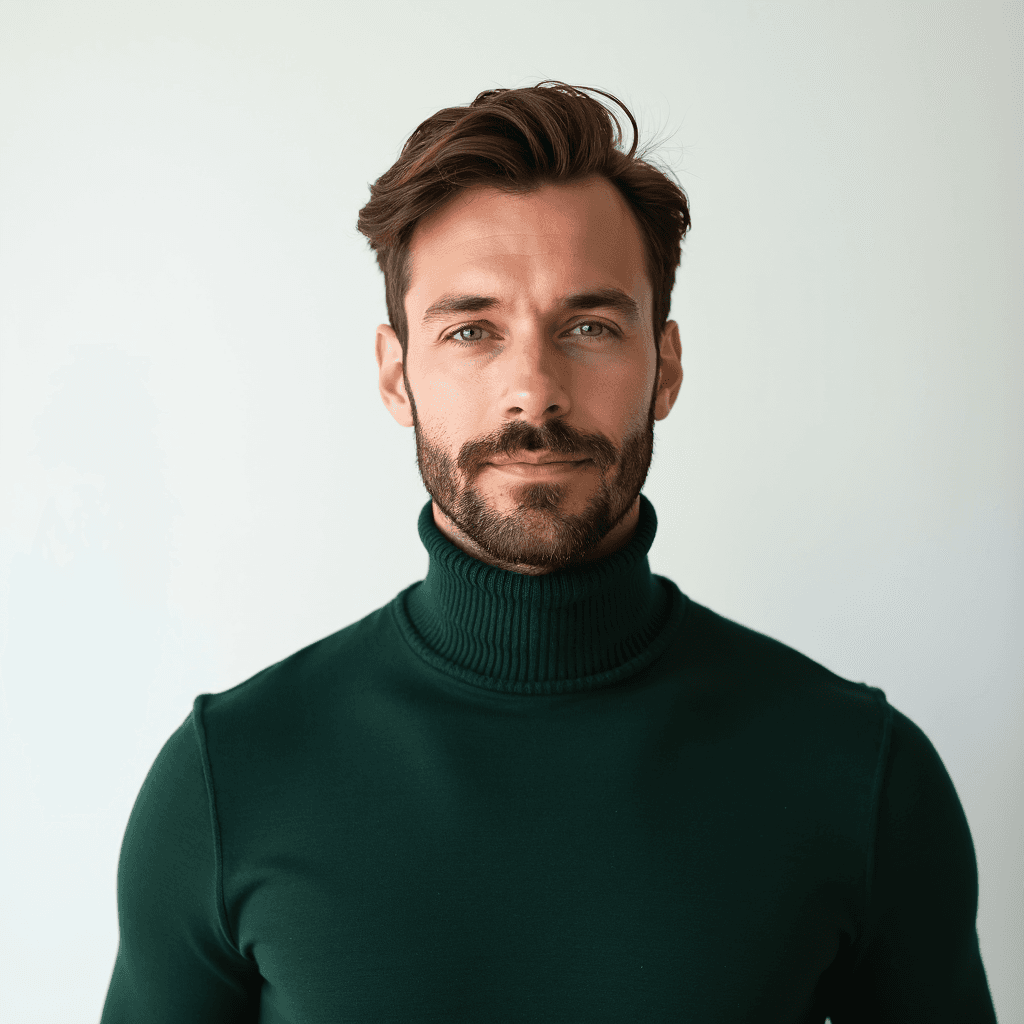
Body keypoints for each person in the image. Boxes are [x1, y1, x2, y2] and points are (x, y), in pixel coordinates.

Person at [100, 81, 997, 1023]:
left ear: (667, 365)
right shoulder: (230, 779)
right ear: (396, 375)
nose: (533, 393)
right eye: (472, 330)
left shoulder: (859, 776)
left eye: (590, 328)